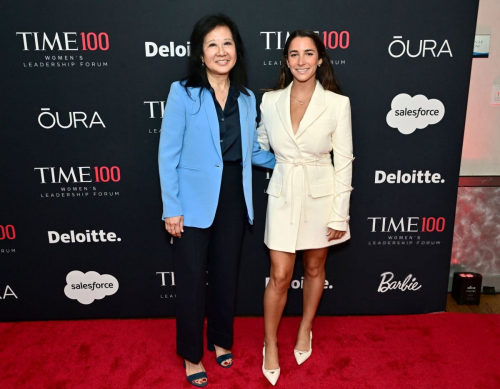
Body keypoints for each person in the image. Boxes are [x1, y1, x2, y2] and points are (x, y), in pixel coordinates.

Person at [158, 14, 275, 387]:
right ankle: (192, 355)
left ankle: (221, 339)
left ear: (236, 51)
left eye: (227, 43)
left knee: (226, 275)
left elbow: (251, 151)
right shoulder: (183, 92)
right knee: (192, 280)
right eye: (212, 44)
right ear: (200, 53)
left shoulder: (245, 97)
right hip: (191, 200)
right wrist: (171, 206)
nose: (221, 51)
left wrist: (292, 161)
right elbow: (167, 153)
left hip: (234, 197)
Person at [257, 29, 354, 385]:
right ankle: (270, 343)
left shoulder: (337, 104)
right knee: (280, 274)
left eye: (308, 53)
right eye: (294, 54)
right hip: (283, 193)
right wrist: (283, 163)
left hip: (321, 195)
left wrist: (339, 213)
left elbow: (343, 161)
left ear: (320, 59)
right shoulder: (269, 102)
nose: (301, 61)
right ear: (286, 60)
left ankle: (305, 329)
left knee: (314, 268)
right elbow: (261, 143)